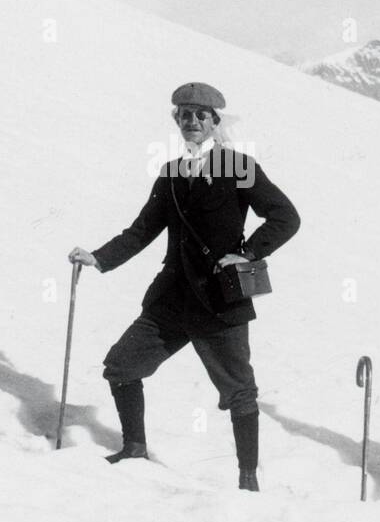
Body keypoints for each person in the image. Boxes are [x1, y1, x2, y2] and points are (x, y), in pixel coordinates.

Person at [69, 82, 300, 490]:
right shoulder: (171, 172)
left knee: (239, 391)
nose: (191, 121)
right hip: (172, 299)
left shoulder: (239, 166)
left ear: (215, 121)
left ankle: (248, 481)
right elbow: (142, 230)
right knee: (121, 365)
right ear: (176, 119)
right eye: (184, 115)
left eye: (200, 115)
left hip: (220, 301)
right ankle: (134, 449)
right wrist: (99, 258)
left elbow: (286, 216)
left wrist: (247, 254)